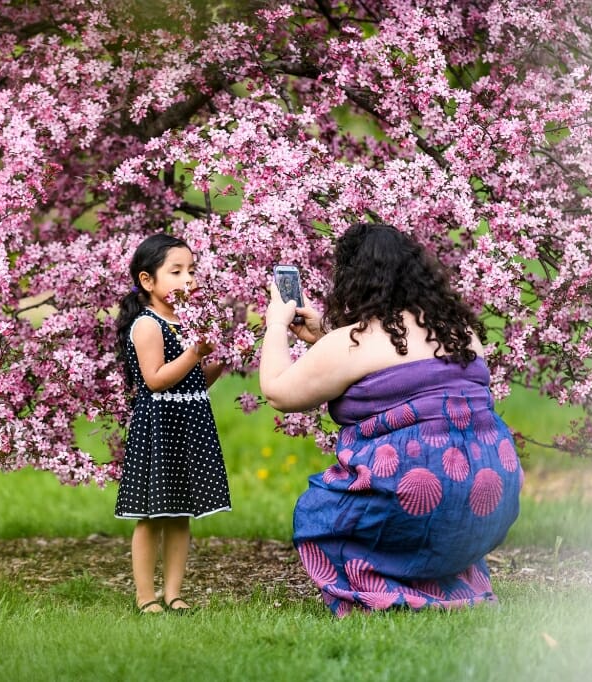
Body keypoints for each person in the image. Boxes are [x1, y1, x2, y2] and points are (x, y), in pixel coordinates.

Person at [259, 223, 522, 617]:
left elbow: (278, 391)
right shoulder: (460, 331)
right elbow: (394, 369)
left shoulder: (354, 340)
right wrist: (322, 339)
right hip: (490, 499)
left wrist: (277, 325)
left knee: (321, 510)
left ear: (353, 279)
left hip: (412, 501)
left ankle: (383, 586)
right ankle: (441, 580)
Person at [114, 233, 232, 614]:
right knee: (150, 515)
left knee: (181, 512)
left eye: (192, 271)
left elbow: (196, 380)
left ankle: (174, 593)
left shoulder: (187, 322)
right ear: (147, 281)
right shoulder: (148, 325)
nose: (189, 280)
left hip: (190, 422)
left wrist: (220, 357)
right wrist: (195, 351)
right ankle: (145, 595)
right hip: (160, 426)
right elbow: (156, 379)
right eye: (176, 271)